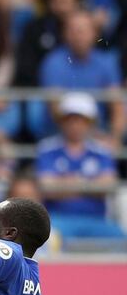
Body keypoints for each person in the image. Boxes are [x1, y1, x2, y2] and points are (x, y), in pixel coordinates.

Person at [36, 92, 124, 240]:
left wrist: (67, 184)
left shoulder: (101, 151)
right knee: (47, 238)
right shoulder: (47, 149)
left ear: (90, 123)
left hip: (97, 220)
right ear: (62, 121)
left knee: (120, 238)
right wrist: (90, 185)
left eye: (81, 120)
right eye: (71, 120)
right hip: (57, 219)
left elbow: (108, 186)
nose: (75, 125)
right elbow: (46, 188)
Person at [38, 10, 123, 141]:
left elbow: (117, 106)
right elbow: (56, 109)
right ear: (65, 34)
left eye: (83, 31)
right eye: (73, 31)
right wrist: (90, 137)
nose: (78, 36)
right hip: (61, 134)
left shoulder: (107, 62)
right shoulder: (53, 62)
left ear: (94, 33)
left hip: (99, 132)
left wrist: (114, 140)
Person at [15, 0, 83, 87]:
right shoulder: (34, 29)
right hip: (42, 92)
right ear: (50, 1)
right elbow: (25, 69)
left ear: (78, 1)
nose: (63, 6)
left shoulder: (88, 28)